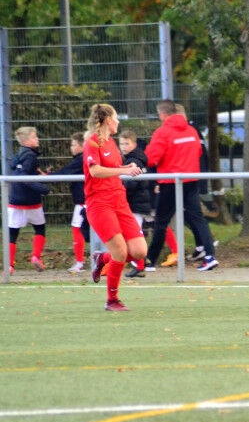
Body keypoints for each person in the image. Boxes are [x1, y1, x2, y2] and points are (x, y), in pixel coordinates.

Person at [84, 104, 147, 311]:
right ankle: (112, 300)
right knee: (120, 251)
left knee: (139, 251)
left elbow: (112, 168)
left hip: (119, 201)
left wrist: (126, 167)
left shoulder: (111, 142)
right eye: (116, 117)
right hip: (100, 204)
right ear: (108, 120)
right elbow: (95, 171)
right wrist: (124, 171)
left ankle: (102, 258)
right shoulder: (92, 142)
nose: (118, 121)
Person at [144, 99, 218, 271]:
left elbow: (151, 158)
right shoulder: (191, 131)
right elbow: (198, 151)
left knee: (161, 221)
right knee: (198, 218)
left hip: (170, 182)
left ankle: (150, 261)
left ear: (162, 114)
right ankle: (209, 255)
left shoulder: (162, 133)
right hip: (191, 180)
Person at [7, 127, 51, 274]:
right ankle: (36, 257)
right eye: (34, 137)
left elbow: (17, 169)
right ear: (26, 141)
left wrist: (40, 176)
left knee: (12, 233)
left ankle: (10, 265)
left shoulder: (19, 154)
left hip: (15, 199)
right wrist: (43, 189)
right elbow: (25, 177)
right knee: (40, 229)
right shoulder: (30, 156)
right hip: (30, 200)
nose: (37, 139)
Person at [118, 129, 155, 278]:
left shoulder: (134, 161)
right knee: (134, 234)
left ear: (134, 144)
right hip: (136, 203)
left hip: (135, 203)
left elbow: (131, 184)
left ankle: (140, 264)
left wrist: (120, 193)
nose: (123, 146)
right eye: (121, 143)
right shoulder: (133, 159)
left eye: (127, 143)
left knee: (133, 235)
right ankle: (140, 262)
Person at [51, 132, 90, 273]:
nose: (71, 147)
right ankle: (82, 261)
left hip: (86, 202)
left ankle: (81, 262)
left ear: (81, 146)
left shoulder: (82, 159)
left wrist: (47, 177)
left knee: (81, 231)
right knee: (79, 230)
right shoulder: (80, 159)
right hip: (82, 202)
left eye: (73, 145)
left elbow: (65, 172)